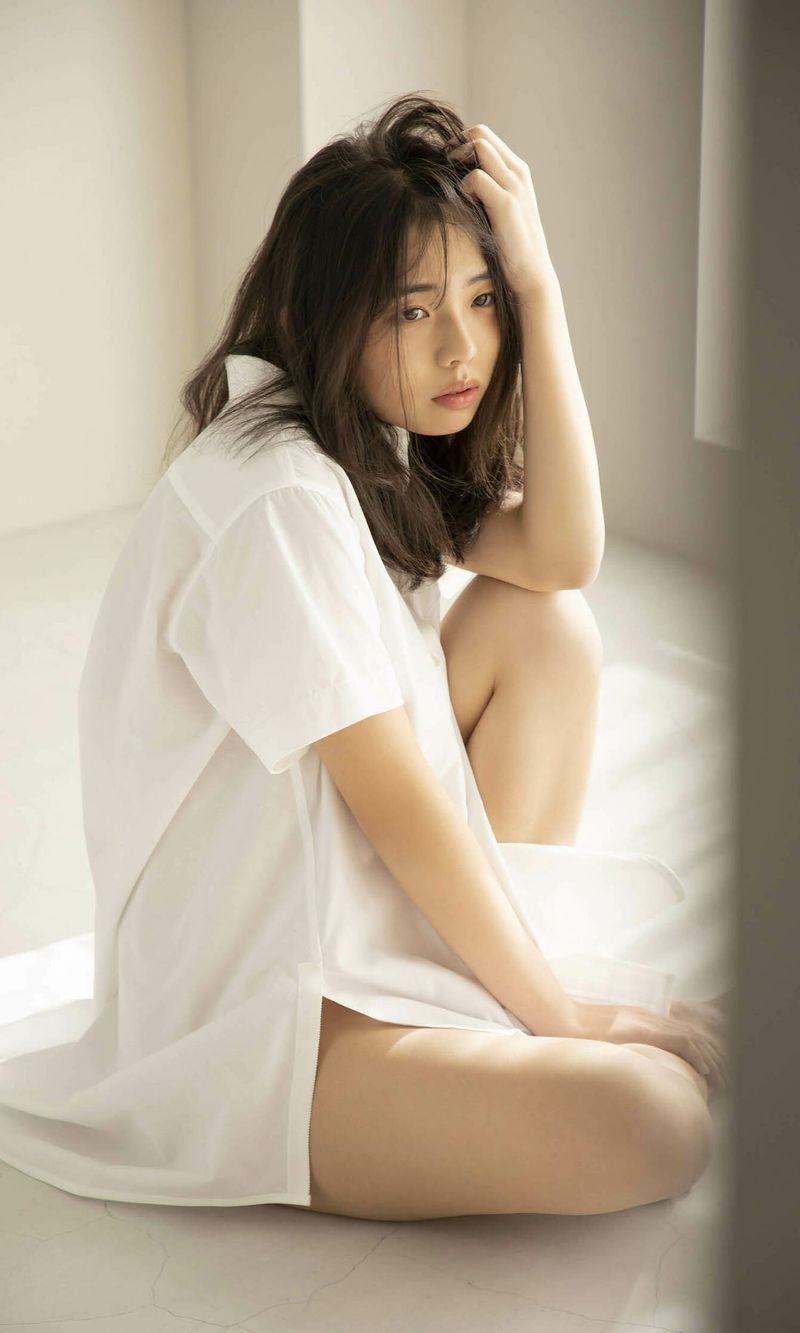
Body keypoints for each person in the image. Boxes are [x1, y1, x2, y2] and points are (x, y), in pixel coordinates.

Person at [0, 93, 731, 1223]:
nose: (462, 347)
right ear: (324, 313)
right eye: (411, 310)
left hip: (354, 927)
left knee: (541, 627)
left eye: (482, 303)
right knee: (654, 1124)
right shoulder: (275, 498)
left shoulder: (357, 445)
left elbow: (560, 551)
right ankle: (484, 1025)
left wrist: (542, 285)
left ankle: (477, 1007)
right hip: (274, 1022)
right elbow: (396, 806)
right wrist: (560, 1015)